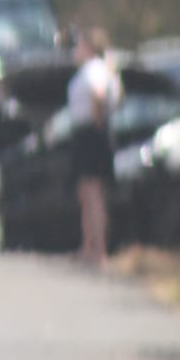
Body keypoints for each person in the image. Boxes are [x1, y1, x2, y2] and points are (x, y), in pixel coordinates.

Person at [67, 28, 122, 268]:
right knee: (85, 192)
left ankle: (98, 249)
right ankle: (88, 245)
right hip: (86, 132)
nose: (76, 51)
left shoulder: (95, 69)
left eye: (79, 45)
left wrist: (98, 122)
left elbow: (99, 95)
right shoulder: (98, 70)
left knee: (93, 193)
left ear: (89, 47)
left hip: (92, 133)